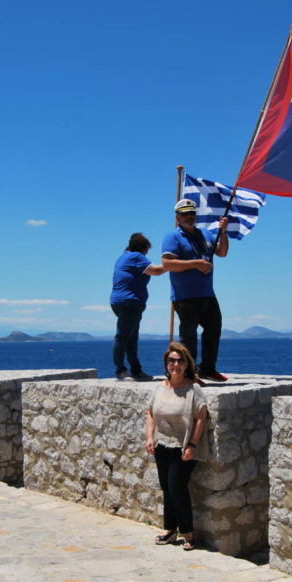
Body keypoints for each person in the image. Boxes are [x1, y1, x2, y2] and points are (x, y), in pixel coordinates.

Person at [144, 341, 208, 551]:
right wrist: (149, 437)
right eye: (171, 361)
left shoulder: (193, 389)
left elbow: (201, 418)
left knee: (176, 487)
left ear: (186, 364)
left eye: (180, 360)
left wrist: (192, 445)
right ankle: (169, 529)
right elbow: (151, 413)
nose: (175, 365)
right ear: (166, 364)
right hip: (162, 444)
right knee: (166, 488)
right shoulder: (160, 388)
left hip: (183, 446)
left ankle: (188, 533)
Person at [161, 199, 230, 382]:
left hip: (207, 294)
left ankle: (207, 369)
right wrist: (196, 264)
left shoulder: (205, 234)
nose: (189, 217)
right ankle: (189, 375)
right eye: (185, 214)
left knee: (214, 330)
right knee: (189, 336)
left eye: (192, 213)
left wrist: (223, 233)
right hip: (184, 296)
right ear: (177, 217)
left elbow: (222, 253)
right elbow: (167, 264)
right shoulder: (173, 237)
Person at [110, 233, 165, 381]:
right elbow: (156, 271)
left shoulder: (123, 257)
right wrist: (171, 264)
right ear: (142, 248)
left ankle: (134, 371)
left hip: (118, 302)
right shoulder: (136, 256)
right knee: (123, 337)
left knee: (130, 337)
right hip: (130, 302)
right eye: (146, 250)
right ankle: (122, 370)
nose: (146, 254)